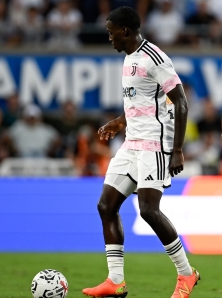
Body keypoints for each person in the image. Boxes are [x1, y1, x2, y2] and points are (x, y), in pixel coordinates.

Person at [82, 6, 200, 298]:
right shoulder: (128, 59)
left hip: (155, 145)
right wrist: (121, 121)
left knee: (148, 210)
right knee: (105, 206)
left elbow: (181, 103)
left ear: (125, 31)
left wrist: (177, 150)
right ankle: (115, 280)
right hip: (131, 144)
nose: (109, 38)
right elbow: (143, 100)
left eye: (111, 33)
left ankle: (186, 274)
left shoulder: (155, 58)